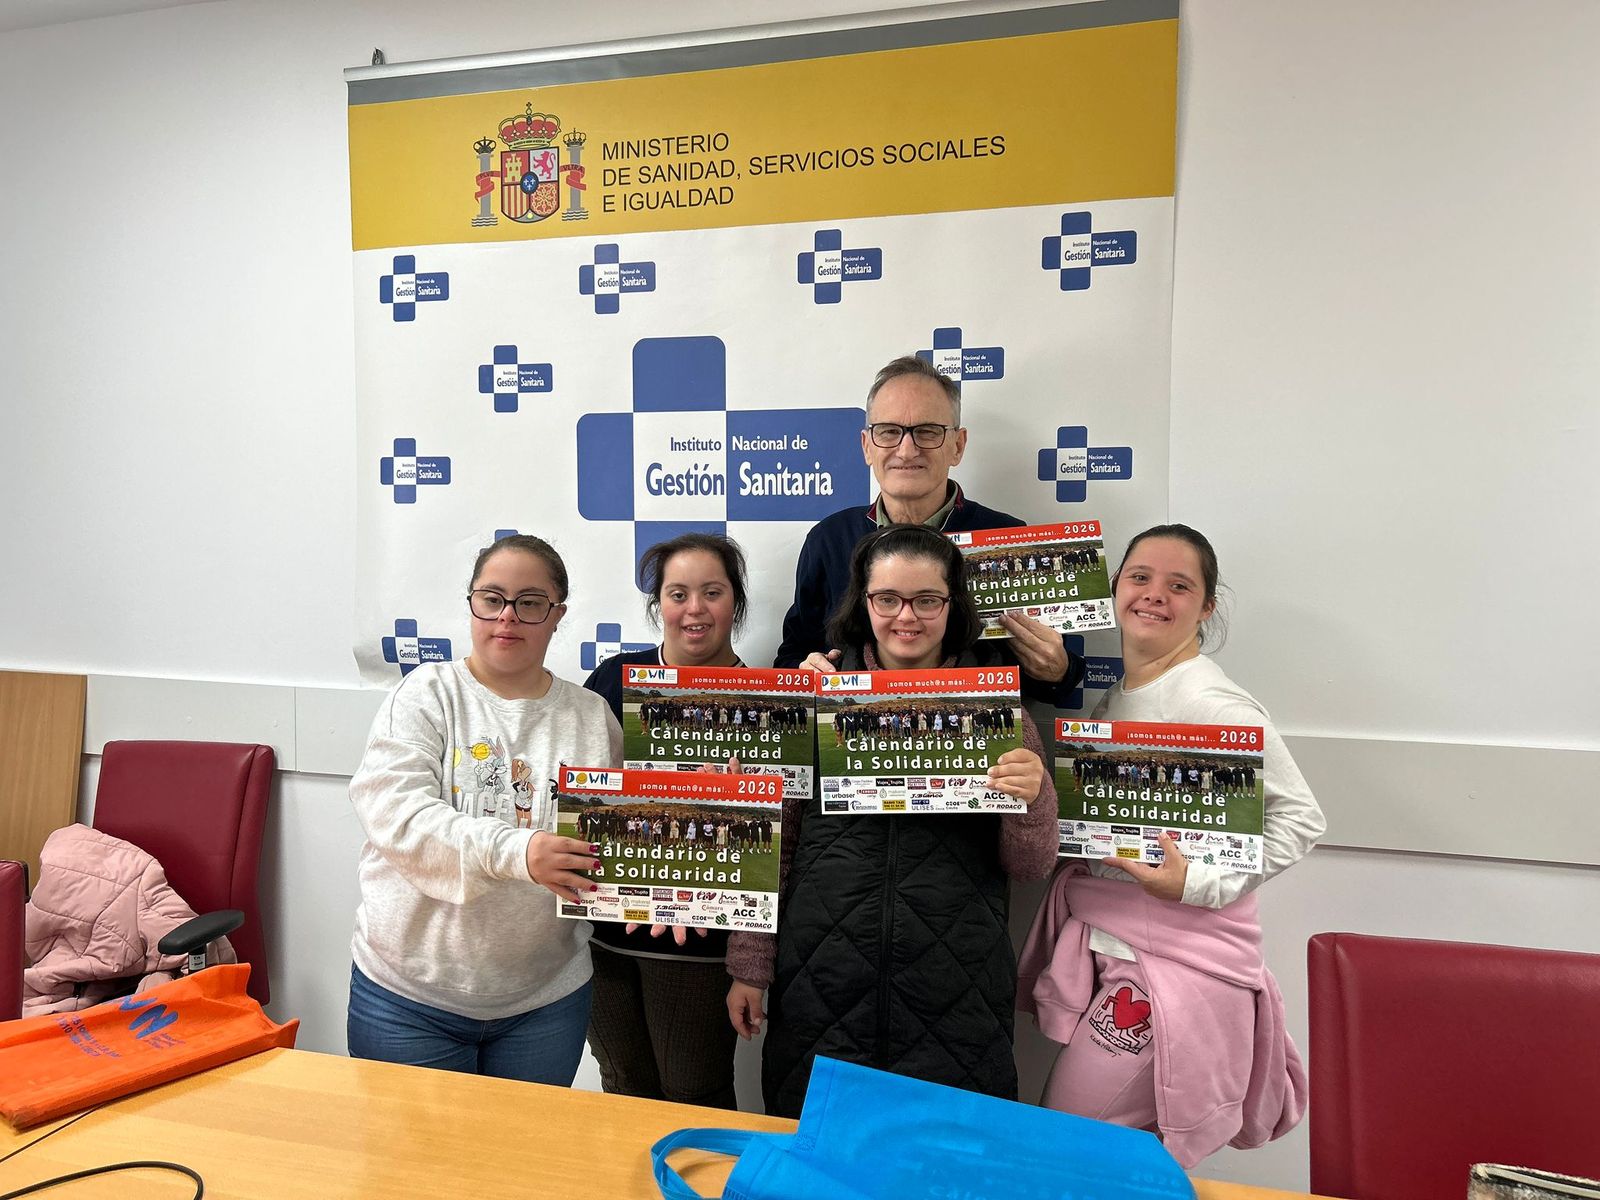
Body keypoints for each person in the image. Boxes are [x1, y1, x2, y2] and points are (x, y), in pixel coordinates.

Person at [1016, 524, 1326, 1167]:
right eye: (1140, 578)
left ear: (1206, 606)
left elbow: (1299, 817)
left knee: (1066, 1148)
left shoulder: (1212, 703)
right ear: (1114, 589)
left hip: (1172, 969)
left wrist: (1195, 885)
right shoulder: (1117, 697)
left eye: (1179, 585)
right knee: (1116, 1159)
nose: (1155, 596)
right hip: (1124, 952)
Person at [727, 523, 1059, 1118]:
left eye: (927, 599)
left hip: (956, 982)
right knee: (824, 1159)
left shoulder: (999, 709)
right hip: (822, 976)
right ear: (864, 602)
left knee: (946, 1163)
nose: (907, 617)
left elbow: (1030, 866)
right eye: (888, 599)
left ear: (953, 605)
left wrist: (1033, 798)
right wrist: (750, 964)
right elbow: (772, 845)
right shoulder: (816, 694)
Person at [347, 533, 620, 1083]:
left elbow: (619, 837)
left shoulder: (592, 717)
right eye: (492, 599)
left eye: (531, 602)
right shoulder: (425, 695)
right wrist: (521, 853)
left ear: (557, 614)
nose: (507, 618)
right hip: (409, 998)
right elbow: (399, 819)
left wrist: (716, 800)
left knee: (517, 1166)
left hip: (545, 1000)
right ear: (471, 603)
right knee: (412, 1169)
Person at [774, 355, 1084, 704]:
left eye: (927, 431)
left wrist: (1058, 670)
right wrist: (802, 673)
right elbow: (792, 655)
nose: (907, 450)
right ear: (866, 446)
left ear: (958, 445)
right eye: (889, 432)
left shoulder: (1008, 538)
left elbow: (1051, 677)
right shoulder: (829, 539)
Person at [581, 532, 749, 1109]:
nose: (694, 608)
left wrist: (738, 801)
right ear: (658, 604)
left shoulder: (765, 702)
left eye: (712, 592)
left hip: (699, 944)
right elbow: (575, 795)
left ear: (736, 602)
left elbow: (782, 839)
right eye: (677, 593)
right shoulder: (612, 678)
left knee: (693, 1095)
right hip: (602, 934)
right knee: (621, 1090)